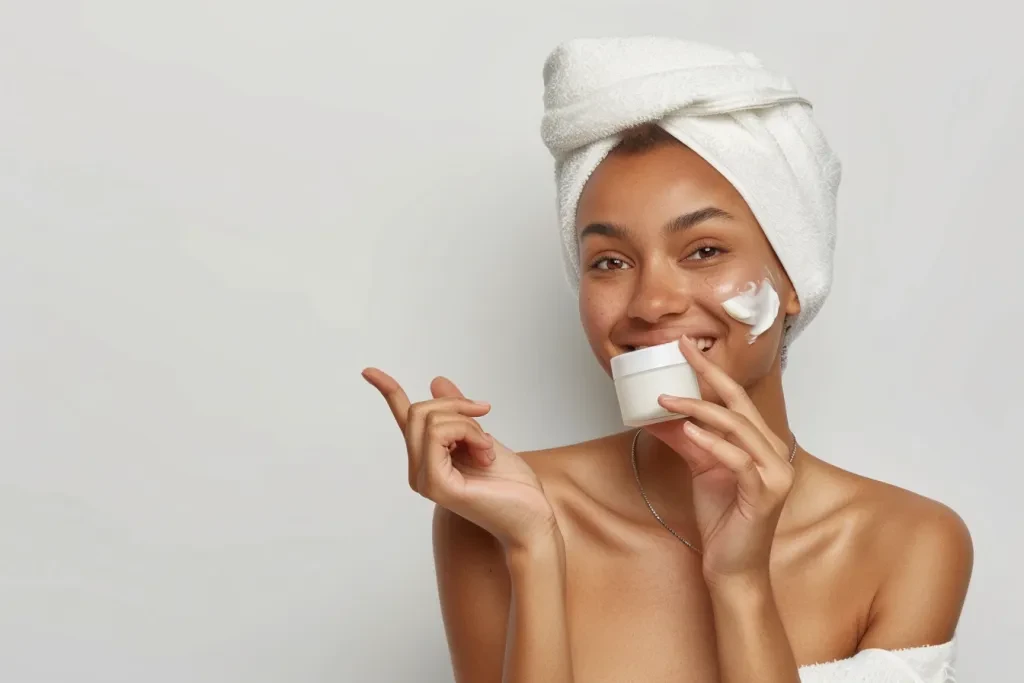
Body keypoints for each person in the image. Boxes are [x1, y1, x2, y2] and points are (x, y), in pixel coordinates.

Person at [362, 37, 972, 683]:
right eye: (610, 261)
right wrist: (535, 549)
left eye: (704, 250)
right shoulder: (498, 509)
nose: (650, 303)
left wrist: (738, 581)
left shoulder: (907, 542)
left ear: (794, 278)